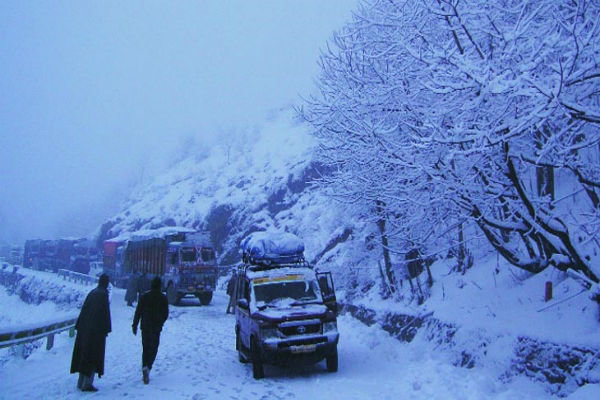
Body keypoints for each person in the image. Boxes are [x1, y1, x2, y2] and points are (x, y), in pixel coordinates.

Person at [70, 273, 112, 392]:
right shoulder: (103, 295)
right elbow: (104, 314)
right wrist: (106, 329)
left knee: (84, 356)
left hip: (84, 329)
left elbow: (84, 310)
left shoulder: (92, 292)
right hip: (96, 332)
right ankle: (87, 384)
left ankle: (80, 382)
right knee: (93, 357)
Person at [132, 276, 169, 384]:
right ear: (160, 286)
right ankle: (148, 366)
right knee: (154, 348)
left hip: (145, 326)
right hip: (156, 327)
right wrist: (161, 322)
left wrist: (135, 325)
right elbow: (166, 313)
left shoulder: (144, 296)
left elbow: (138, 312)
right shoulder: (163, 298)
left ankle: (144, 366)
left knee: (146, 348)